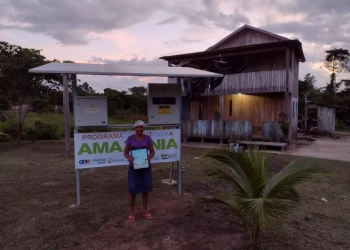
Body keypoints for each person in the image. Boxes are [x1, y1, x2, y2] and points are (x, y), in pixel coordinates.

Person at [123, 120, 155, 222]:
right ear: (134, 128)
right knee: (132, 190)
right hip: (134, 168)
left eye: (141, 127)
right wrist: (130, 158)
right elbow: (126, 152)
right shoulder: (130, 139)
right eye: (137, 127)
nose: (139, 129)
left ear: (144, 128)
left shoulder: (148, 139)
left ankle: (145, 211)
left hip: (145, 167)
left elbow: (152, 152)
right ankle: (131, 213)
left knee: (145, 190)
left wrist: (148, 158)